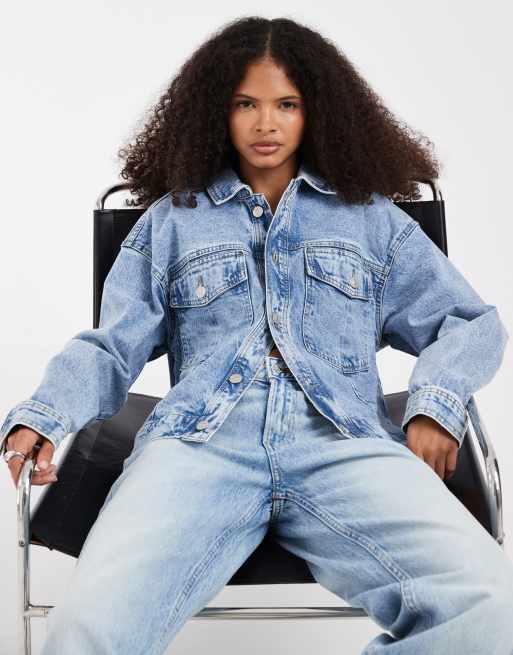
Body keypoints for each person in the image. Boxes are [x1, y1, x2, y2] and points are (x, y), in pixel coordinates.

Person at [2, 15, 512, 655]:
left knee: (492, 610)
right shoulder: (171, 220)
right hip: (199, 447)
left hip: (344, 442)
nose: (265, 123)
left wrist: (435, 405)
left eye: (286, 104)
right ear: (214, 111)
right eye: (245, 103)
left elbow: (468, 322)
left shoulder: (372, 219)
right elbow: (111, 345)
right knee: (83, 631)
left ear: (317, 111)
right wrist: (47, 414)